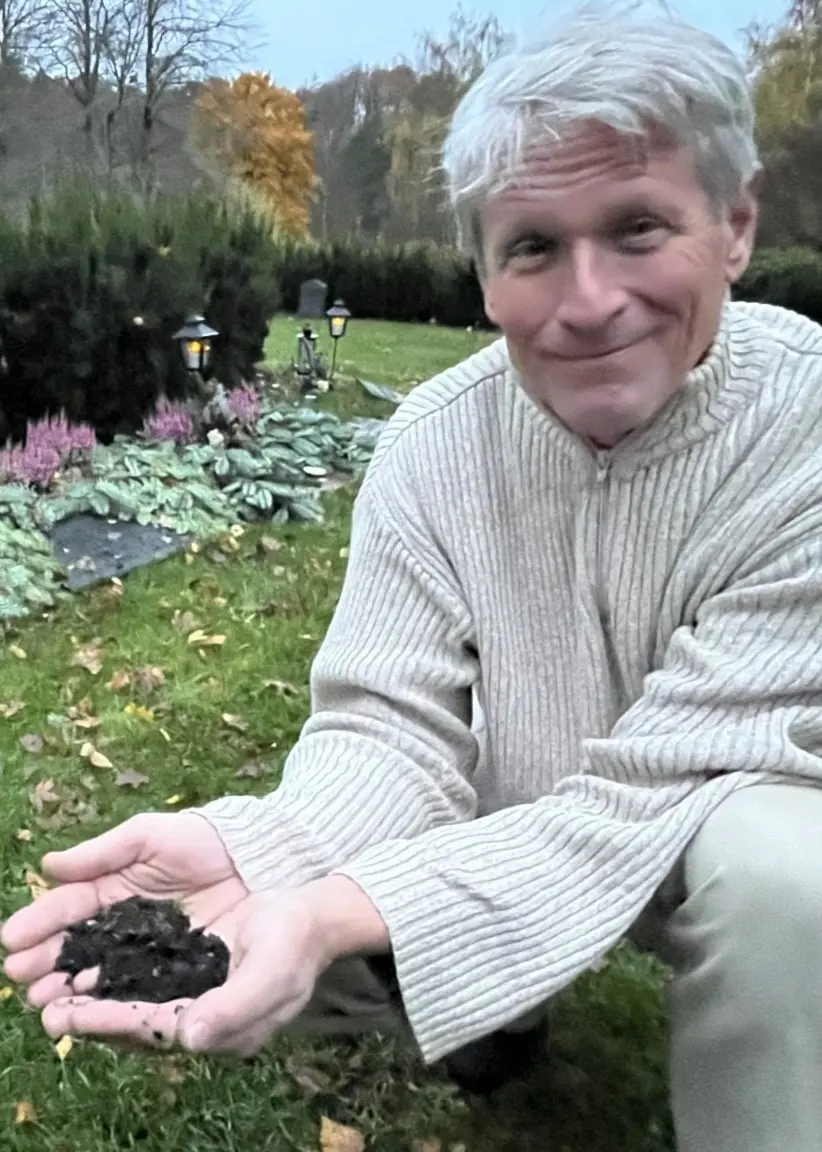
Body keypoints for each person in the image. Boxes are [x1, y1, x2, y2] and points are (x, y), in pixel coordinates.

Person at [5, 2, 822, 1148]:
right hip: (513, 803)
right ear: (483, 274)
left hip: (726, 813)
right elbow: (386, 725)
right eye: (533, 247)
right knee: (286, 906)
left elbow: (663, 787)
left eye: (639, 228)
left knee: (791, 882)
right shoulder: (436, 441)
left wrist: (356, 905)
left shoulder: (806, 423)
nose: (589, 301)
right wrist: (258, 852)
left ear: (734, 226)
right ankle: (489, 998)